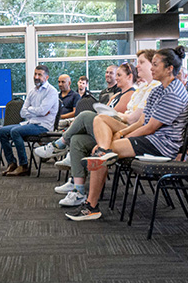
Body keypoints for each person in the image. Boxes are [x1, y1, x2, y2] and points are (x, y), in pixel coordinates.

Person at [67, 46, 188, 221]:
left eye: (155, 64)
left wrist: (123, 136)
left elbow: (150, 128)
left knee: (97, 153)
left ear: (169, 68)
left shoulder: (174, 92)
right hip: (150, 138)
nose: (151, 68)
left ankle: (91, 206)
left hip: (161, 145)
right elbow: (141, 121)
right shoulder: (158, 89)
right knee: (99, 119)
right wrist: (122, 133)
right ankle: (104, 151)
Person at [35, 62, 138, 206]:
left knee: (84, 116)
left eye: (119, 75)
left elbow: (112, 116)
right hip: (103, 132)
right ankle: (78, 190)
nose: (116, 78)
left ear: (130, 77)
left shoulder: (131, 93)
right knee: (77, 140)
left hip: (116, 135)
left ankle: (59, 145)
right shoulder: (116, 95)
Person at [0, 65, 59, 177]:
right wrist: (35, 111)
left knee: (15, 131)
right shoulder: (32, 92)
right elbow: (23, 112)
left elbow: (42, 111)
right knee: (2, 131)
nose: (36, 77)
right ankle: (12, 163)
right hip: (30, 123)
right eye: (35, 74)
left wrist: (31, 110)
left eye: (39, 75)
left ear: (47, 77)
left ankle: (24, 166)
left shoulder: (52, 92)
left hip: (43, 126)